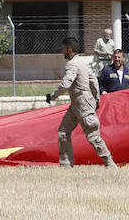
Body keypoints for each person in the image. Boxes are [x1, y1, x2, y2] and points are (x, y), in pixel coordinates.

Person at [46, 36, 116, 168]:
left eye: (64, 49)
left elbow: (67, 83)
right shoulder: (81, 62)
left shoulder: (72, 64)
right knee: (63, 131)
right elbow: (93, 80)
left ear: (70, 49)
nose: (62, 52)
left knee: (93, 135)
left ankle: (110, 163)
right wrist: (95, 100)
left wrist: (52, 96)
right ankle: (66, 164)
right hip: (79, 103)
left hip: (81, 102)